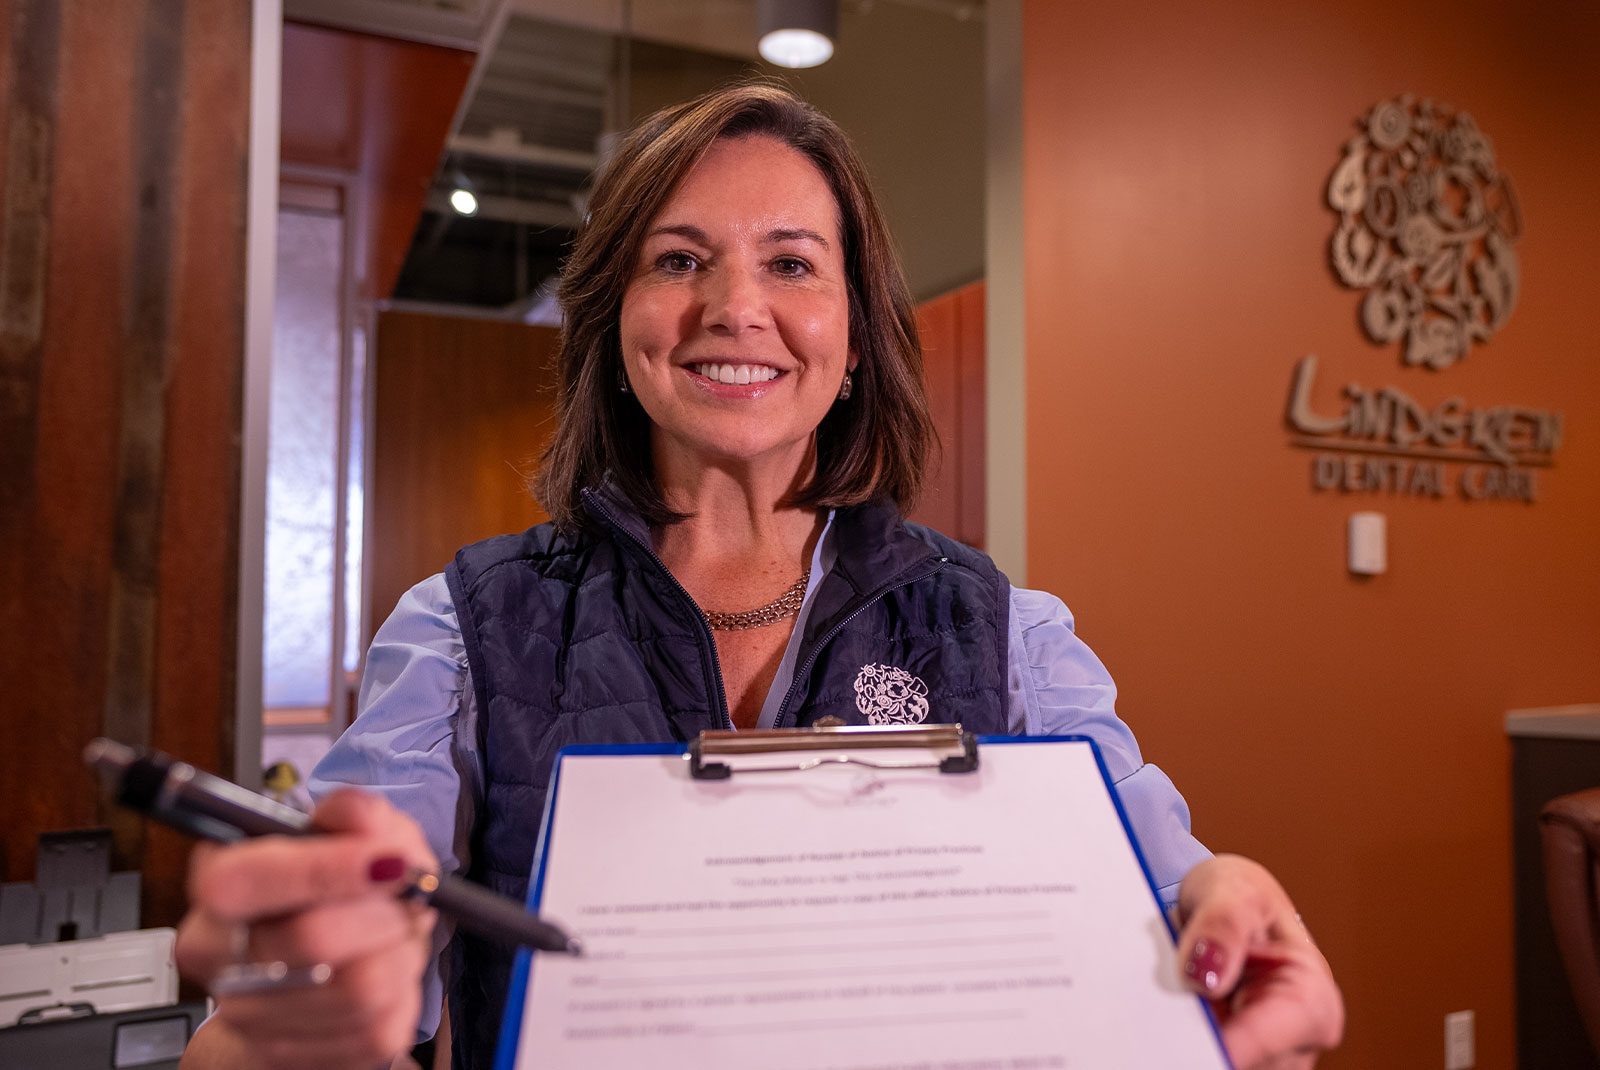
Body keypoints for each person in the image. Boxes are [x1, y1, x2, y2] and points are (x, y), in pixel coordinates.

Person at [175, 83, 1343, 1070]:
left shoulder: (1009, 631)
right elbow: (320, 953)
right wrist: (290, 1005)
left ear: (849, 340)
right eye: (679, 258)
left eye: (791, 262)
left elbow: (1167, 888)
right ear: (616, 329)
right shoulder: (460, 630)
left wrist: (1228, 905)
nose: (736, 308)